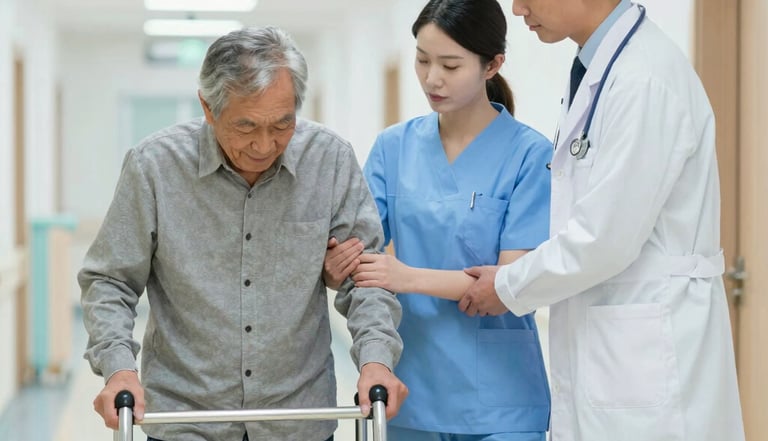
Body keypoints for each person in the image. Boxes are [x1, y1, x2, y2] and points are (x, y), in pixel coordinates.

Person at [79, 26, 408, 441]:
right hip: (186, 417)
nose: (264, 145)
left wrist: (376, 360)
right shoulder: (155, 167)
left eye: (282, 124)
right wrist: (119, 369)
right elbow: (109, 279)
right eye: (246, 126)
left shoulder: (330, 160)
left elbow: (367, 278)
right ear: (208, 107)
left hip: (297, 418)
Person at [458, 1, 746, 441]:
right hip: (615, 349)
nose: (517, 9)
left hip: (648, 361)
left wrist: (507, 285)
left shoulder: (643, 78)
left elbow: (604, 240)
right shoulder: (602, 69)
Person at [324, 1, 552, 440]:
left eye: (450, 64)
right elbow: (358, 255)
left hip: (500, 397)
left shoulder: (529, 155)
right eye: (422, 59)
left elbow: (510, 285)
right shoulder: (393, 148)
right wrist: (336, 269)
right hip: (413, 386)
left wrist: (405, 277)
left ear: (493, 65)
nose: (432, 78)